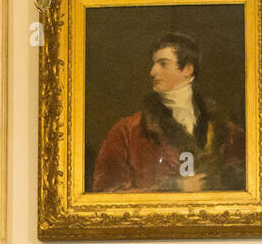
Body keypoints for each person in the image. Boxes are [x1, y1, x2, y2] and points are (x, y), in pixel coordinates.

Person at [91, 32, 246, 193]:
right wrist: (174, 188)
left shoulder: (230, 133)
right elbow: (106, 193)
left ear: (187, 69)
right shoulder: (127, 131)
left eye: (163, 64)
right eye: (153, 64)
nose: (153, 72)